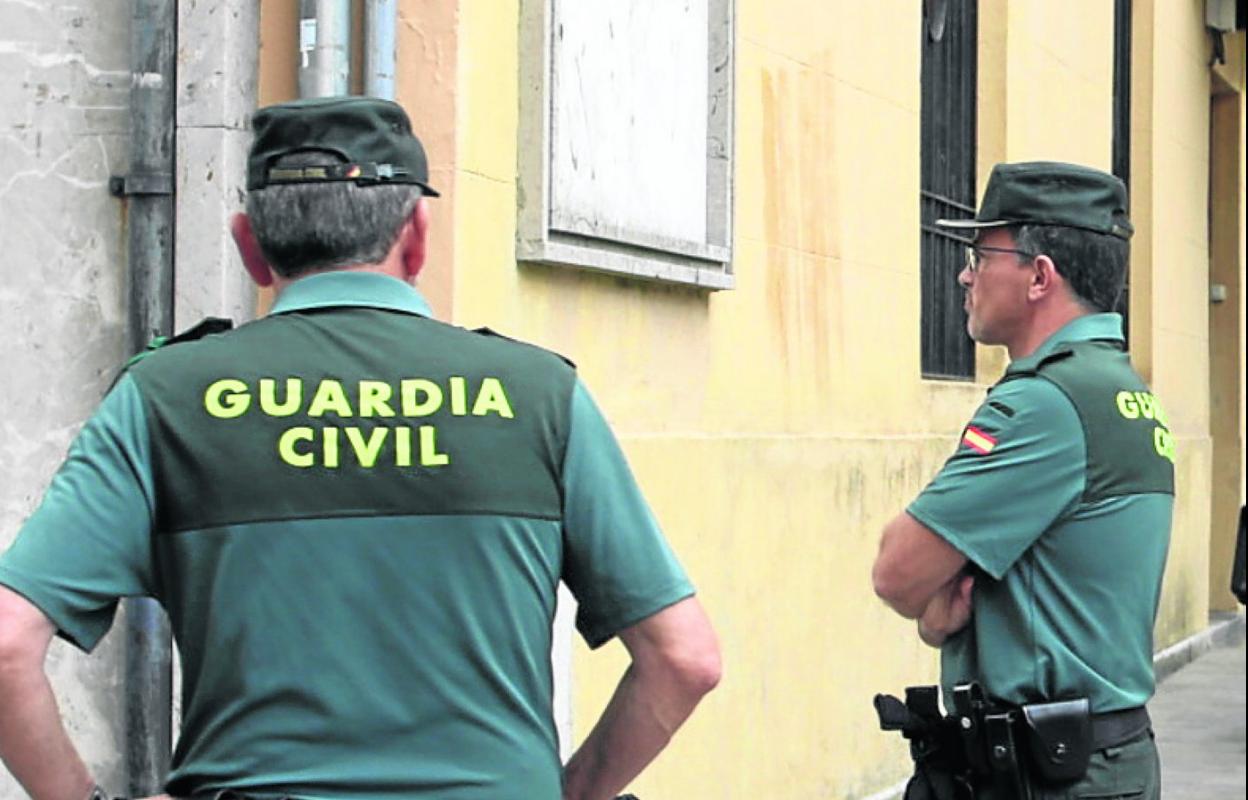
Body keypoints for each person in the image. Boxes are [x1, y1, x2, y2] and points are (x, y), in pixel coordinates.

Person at [0, 96, 720, 800]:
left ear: (250, 246)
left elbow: (6, 644)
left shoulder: (165, 396)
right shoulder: (538, 395)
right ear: (417, 236)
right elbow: (684, 659)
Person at [872, 161, 1173, 799]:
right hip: (1100, 759)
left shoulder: (1046, 403)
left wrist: (933, 612)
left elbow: (897, 572)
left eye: (981, 256)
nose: (966, 274)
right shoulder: (1119, 389)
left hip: (1051, 776)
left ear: (1039, 276)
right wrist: (938, 616)